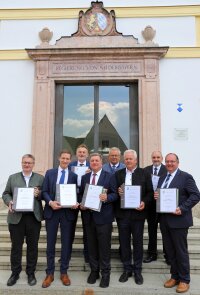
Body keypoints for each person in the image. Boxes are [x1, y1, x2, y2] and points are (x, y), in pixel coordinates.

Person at [154, 153, 200, 293]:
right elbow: (161, 195)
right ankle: (174, 276)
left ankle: (184, 280)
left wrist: (183, 208)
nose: (169, 164)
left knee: (180, 251)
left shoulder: (185, 177)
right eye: (167, 161)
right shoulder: (162, 177)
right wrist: (157, 196)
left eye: (172, 161)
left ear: (177, 163)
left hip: (179, 220)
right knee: (170, 251)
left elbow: (196, 195)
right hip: (165, 220)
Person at [2, 154, 44, 287]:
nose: (27, 165)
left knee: (33, 247)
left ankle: (30, 273)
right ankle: (15, 273)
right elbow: (5, 193)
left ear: (33, 164)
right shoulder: (12, 177)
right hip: (16, 218)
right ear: (21, 163)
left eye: (29, 163)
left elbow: (46, 193)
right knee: (16, 247)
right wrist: (9, 202)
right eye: (25, 162)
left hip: (33, 217)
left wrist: (39, 194)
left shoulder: (40, 178)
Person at [114, 149, 153, 285]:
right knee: (124, 243)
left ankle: (137, 270)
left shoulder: (144, 173)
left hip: (138, 215)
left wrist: (144, 202)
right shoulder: (118, 174)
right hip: (122, 215)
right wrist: (118, 192)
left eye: (131, 159)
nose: (128, 161)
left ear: (136, 160)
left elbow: (150, 193)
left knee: (138, 243)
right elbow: (113, 192)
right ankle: (126, 269)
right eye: (126, 159)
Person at [41, 149, 79, 288]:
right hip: (52, 211)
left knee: (66, 244)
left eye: (67, 159)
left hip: (67, 213)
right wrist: (50, 202)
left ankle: (64, 272)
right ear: (59, 158)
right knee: (50, 244)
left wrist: (76, 203)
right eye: (63, 158)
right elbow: (44, 191)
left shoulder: (74, 176)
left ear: (70, 160)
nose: (65, 160)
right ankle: (49, 273)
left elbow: (76, 193)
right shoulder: (50, 173)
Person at [80, 153, 118, 288]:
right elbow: (80, 195)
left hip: (104, 218)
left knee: (104, 246)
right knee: (91, 246)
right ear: (90, 162)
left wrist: (106, 197)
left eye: (97, 160)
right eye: (92, 160)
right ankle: (94, 271)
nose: (94, 162)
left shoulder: (110, 176)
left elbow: (115, 194)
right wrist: (81, 203)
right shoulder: (84, 177)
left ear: (102, 162)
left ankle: (105, 273)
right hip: (88, 217)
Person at [143, 151, 167, 263]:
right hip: (150, 206)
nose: (156, 159)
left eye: (158, 157)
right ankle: (152, 254)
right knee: (151, 231)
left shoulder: (167, 169)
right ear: (151, 158)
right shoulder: (146, 170)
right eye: (154, 157)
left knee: (165, 231)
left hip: (164, 205)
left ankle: (168, 255)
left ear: (161, 158)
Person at [68, 143, 90, 262]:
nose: (81, 154)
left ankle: (87, 255)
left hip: (86, 197)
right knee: (70, 227)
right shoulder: (70, 165)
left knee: (87, 228)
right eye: (79, 152)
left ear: (87, 155)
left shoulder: (91, 166)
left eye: (83, 152)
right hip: (72, 197)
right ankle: (67, 254)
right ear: (76, 154)